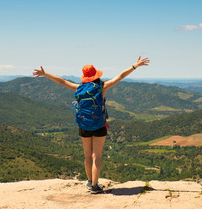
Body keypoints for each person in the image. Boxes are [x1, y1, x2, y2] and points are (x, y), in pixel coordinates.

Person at [33, 56, 150, 193]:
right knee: (97, 157)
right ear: (96, 75)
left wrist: (45, 74)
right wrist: (135, 66)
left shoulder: (79, 88)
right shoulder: (102, 87)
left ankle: (89, 182)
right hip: (99, 125)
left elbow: (62, 81)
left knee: (87, 156)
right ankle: (95, 186)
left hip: (84, 125)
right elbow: (120, 76)